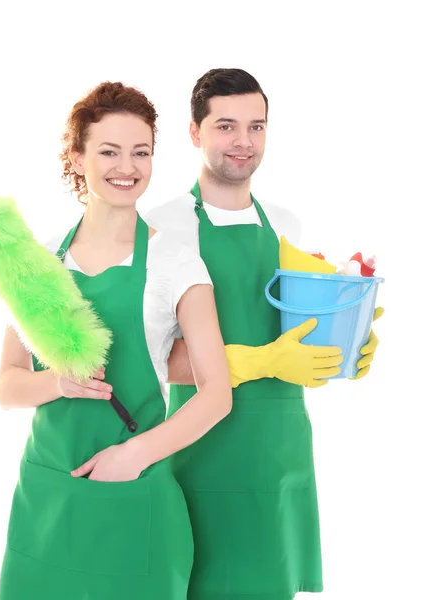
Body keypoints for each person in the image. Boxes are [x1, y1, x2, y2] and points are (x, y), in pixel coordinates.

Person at [143, 68, 383, 600]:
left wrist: (346, 342)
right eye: (226, 126)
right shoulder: (162, 226)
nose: (243, 142)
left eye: (257, 126)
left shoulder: (284, 224)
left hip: (283, 446)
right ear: (194, 132)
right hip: (202, 449)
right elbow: (149, 356)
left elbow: (294, 327)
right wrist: (261, 361)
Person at [0, 81, 232, 600]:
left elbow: (218, 392)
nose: (127, 167)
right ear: (76, 158)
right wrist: (57, 383)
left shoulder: (176, 261)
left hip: (137, 497)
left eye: (140, 152)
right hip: (49, 498)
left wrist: (137, 455)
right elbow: (8, 385)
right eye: (108, 151)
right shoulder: (40, 261)